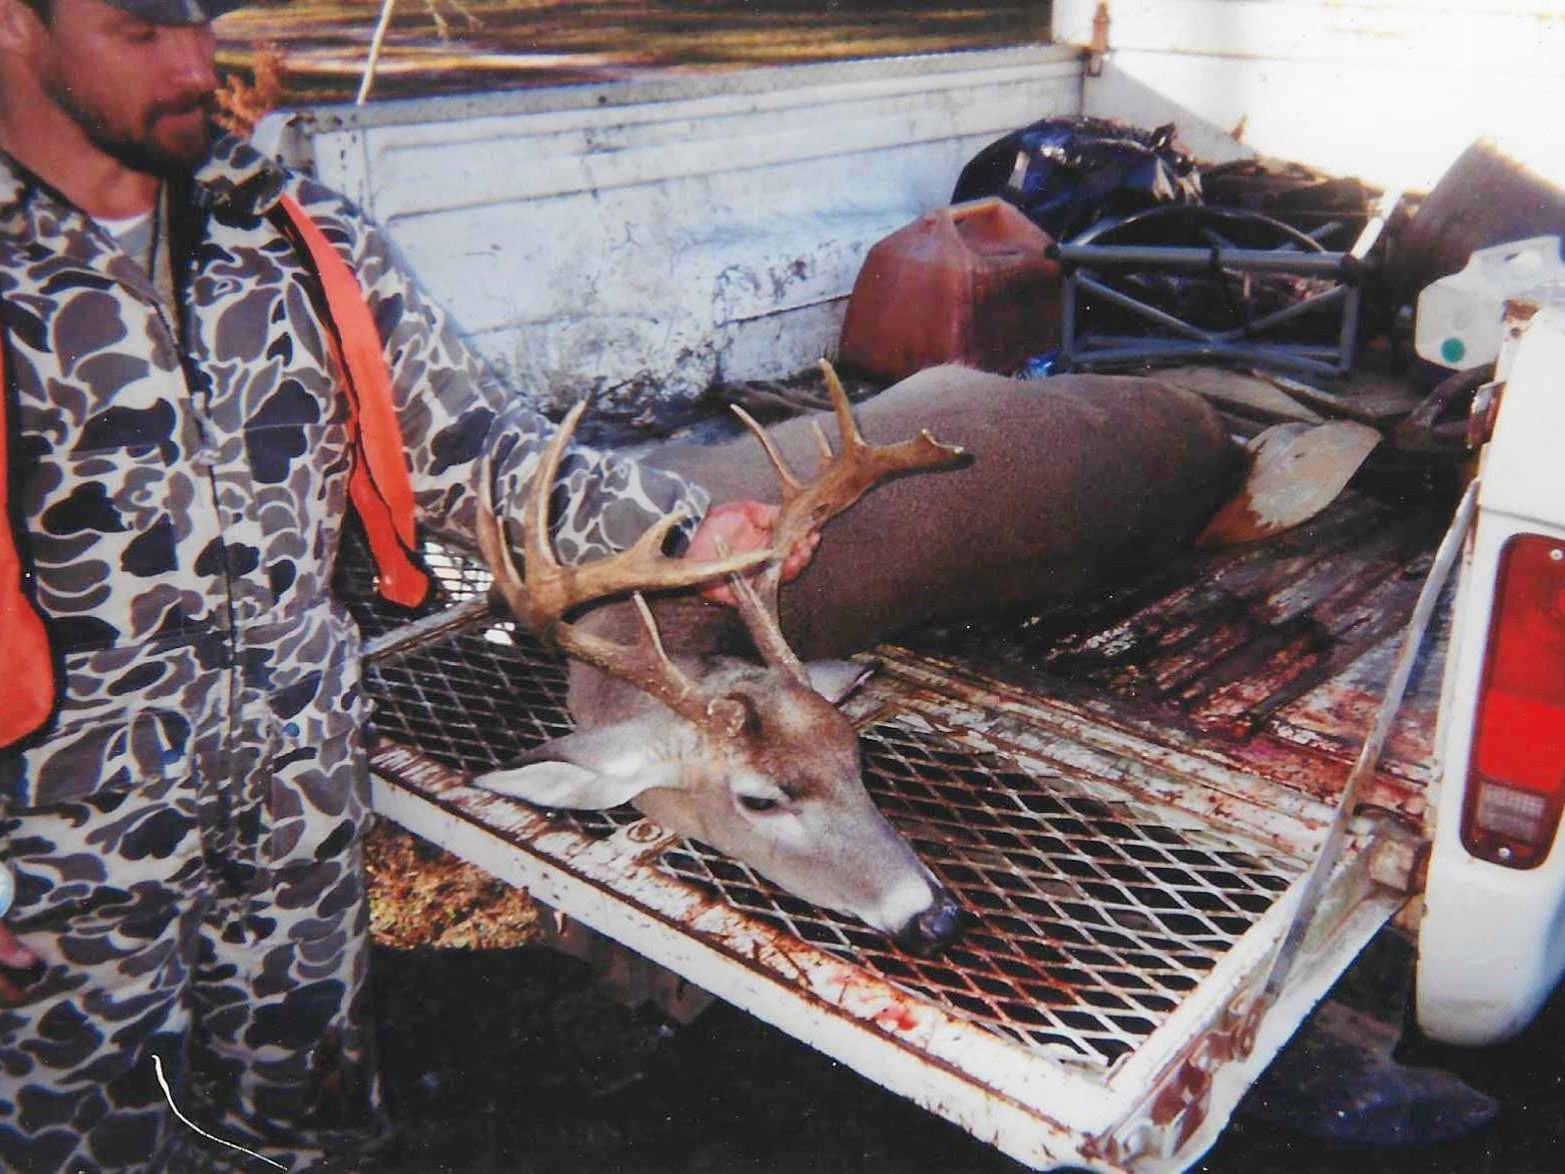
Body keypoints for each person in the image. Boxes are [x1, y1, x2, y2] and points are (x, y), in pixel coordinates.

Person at [0, 0, 811, 1168]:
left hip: (296, 803)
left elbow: (476, 449)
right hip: (66, 845)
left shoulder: (284, 231)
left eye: (202, 19)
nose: (195, 65)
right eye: (139, 30)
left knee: (311, 1125)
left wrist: (686, 532)